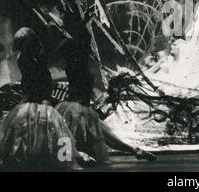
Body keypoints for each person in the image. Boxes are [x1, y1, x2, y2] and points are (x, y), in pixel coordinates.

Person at [56, 10, 156, 164]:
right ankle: (132, 150)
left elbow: (83, 42)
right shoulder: (77, 64)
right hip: (78, 107)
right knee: (96, 136)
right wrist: (83, 24)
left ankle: (132, 150)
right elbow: (83, 42)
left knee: (85, 136)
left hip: (79, 107)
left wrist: (83, 24)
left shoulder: (76, 62)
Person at [0, 27, 91, 171]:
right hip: (35, 97)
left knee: (55, 126)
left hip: (41, 96)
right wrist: (42, 100)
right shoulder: (25, 59)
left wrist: (47, 99)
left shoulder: (37, 56)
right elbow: (34, 83)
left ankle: (71, 153)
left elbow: (44, 80)